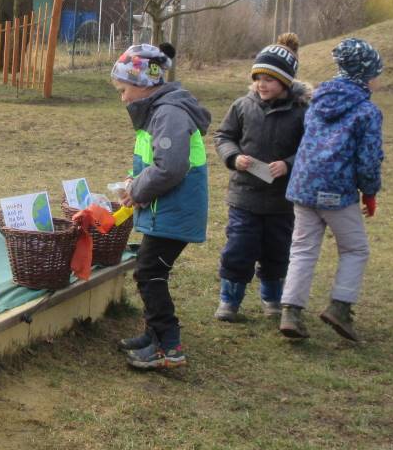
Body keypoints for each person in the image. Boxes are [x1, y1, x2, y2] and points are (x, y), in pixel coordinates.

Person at [110, 42, 212, 371]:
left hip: (174, 212)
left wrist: (137, 190)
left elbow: (170, 167)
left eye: (123, 90)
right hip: (165, 211)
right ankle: (153, 335)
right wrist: (135, 180)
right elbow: (156, 161)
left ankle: (168, 346)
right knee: (150, 269)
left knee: (149, 272)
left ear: (142, 84)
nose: (122, 98)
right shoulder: (158, 111)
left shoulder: (168, 113)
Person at [278, 37, 384, 343]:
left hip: (303, 187)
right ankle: (340, 307)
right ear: (365, 73)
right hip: (337, 192)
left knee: (302, 249)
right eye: (376, 73)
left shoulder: (318, 101)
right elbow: (368, 159)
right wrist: (370, 192)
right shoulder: (367, 111)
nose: (378, 79)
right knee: (355, 249)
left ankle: (290, 312)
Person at [213, 33, 310, 321]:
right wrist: (233, 157)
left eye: (269, 79)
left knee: (277, 252)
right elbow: (223, 136)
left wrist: (289, 164)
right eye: (258, 78)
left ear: (285, 82)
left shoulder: (302, 112)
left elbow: (311, 148)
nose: (261, 84)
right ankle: (229, 301)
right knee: (238, 249)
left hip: (282, 202)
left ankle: (273, 300)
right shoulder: (242, 106)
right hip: (244, 197)